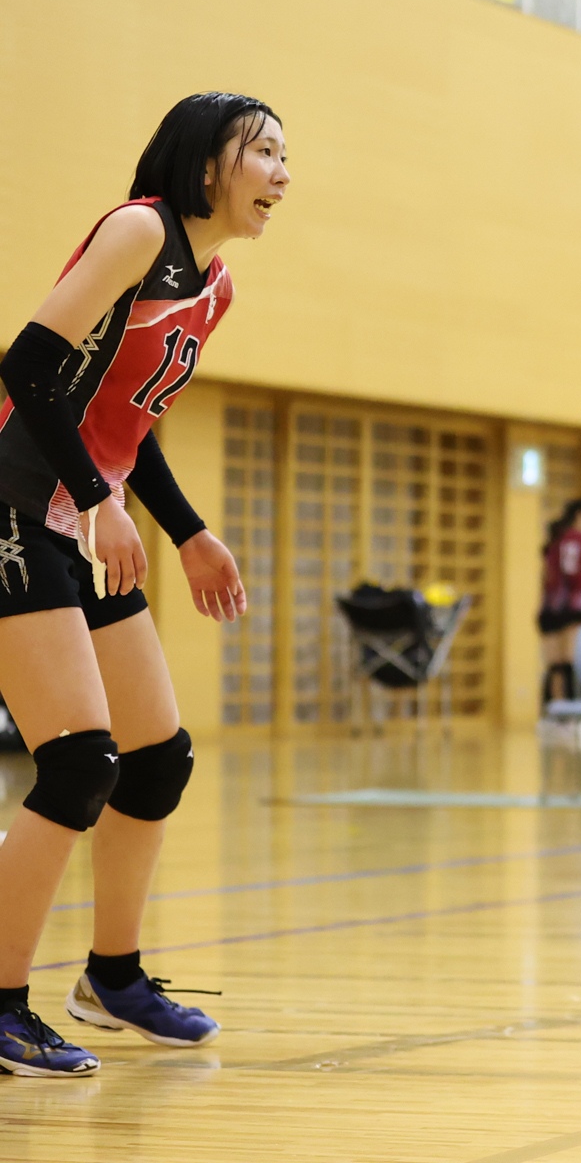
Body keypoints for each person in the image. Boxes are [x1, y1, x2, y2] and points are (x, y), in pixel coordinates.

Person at [0, 91, 287, 1074]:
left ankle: (112, 978)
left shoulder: (215, 288)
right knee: (80, 761)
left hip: (83, 520)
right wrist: (96, 499)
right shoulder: (138, 231)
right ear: (207, 163)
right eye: (264, 152)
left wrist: (190, 532)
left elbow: (132, 425)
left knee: (158, 757)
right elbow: (28, 367)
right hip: (15, 505)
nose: (282, 175)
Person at [538, 497, 581, 701]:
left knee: (555, 666)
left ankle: (552, 711)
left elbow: (546, 575)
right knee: (575, 664)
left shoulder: (555, 539)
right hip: (578, 608)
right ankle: (578, 711)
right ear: (580, 515)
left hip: (551, 608)